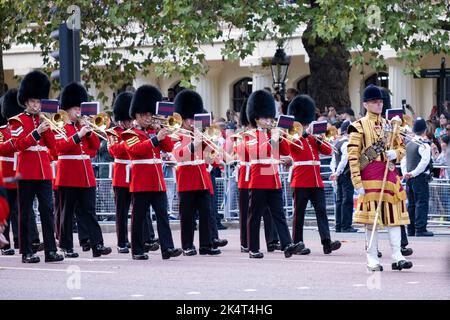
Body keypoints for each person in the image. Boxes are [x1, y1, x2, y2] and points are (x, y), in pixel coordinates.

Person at [347, 84, 412, 271]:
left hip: (389, 177)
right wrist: (357, 181)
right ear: (366, 104)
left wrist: (395, 154)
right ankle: (372, 258)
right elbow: (354, 156)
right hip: (369, 177)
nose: (379, 105)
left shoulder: (390, 126)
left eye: (381, 102)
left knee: (394, 218)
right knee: (371, 221)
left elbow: (401, 148)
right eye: (375, 102)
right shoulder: (357, 126)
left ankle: (397, 255)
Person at [122, 85, 182, 260]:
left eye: (150, 114)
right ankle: (138, 250)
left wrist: (160, 133)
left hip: (157, 181)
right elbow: (137, 150)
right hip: (141, 182)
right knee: (139, 218)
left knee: (163, 216)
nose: (149, 118)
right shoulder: (129, 133)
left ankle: (167, 248)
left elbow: (169, 147)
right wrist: (156, 138)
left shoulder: (152, 132)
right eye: (145, 115)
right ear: (137, 115)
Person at [9, 70, 63, 263]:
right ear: (25, 101)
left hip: (44, 172)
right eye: (33, 101)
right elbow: (18, 144)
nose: (36, 105)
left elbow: (53, 146)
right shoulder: (17, 121)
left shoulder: (44, 120)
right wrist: (37, 132)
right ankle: (27, 251)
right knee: (25, 212)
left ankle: (50, 250)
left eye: (39, 101)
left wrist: (45, 125)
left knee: (47, 210)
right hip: (26, 171)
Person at [245, 89, 304, 259]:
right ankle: (253, 248)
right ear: (256, 119)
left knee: (279, 214)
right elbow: (258, 152)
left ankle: (287, 244)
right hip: (258, 179)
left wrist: (282, 139)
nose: (269, 121)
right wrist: (272, 139)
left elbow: (283, 152)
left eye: (271, 118)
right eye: (266, 118)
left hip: (273, 178)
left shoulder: (274, 134)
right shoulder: (250, 135)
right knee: (255, 216)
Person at [55, 82, 112, 258]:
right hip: (68, 175)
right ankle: (66, 246)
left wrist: (88, 132)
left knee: (89, 211)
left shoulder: (83, 127)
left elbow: (94, 147)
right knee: (67, 213)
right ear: (66, 110)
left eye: (79, 108)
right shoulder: (59, 126)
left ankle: (98, 245)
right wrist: (78, 135)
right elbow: (60, 147)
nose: (78, 112)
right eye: (74, 109)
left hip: (85, 175)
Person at [287, 95, 342, 255]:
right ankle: (297, 243)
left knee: (321, 211)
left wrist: (319, 139)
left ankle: (326, 242)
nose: (304, 126)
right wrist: (304, 134)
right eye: (303, 123)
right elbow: (291, 147)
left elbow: (327, 150)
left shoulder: (312, 138)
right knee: (299, 214)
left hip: (316, 180)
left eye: (305, 123)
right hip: (301, 179)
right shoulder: (292, 136)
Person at [172, 90, 222, 256]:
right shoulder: (177, 135)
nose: (192, 122)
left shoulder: (199, 134)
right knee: (187, 216)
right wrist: (195, 143)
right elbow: (179, 156)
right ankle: (187, 245)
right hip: (186, 179)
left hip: (203, 179)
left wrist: (216, 157)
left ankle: (206, 245)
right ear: (183, 119)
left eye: (194, 119)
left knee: (206, 213)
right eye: (190, 119)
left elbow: (210, 157)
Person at [230, 101, 280, 253]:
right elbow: (241, 153)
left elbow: (273, 153)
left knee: (269, 211)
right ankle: (246, 242)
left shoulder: (264, 134)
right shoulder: (241, 136)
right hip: (246, 175)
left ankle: (272, 240)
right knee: (248, 212)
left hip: (263, 172)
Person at [106, 91, 134, 253]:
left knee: (138, 211)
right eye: (127, 120)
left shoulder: (135, 130)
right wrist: (129, 142)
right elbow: (114, 151)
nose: (130, 123)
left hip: (136, 174)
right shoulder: (113, 132)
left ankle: (143, 238)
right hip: (121, 174)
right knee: (121, 212)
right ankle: (122, 242)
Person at [401, 118, 434, 237]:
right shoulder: (424, 145)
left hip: (409, 178)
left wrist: (406, 173)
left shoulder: (409, 144)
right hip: (419, 178)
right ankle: (420, 229)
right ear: (425, 130)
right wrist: (414, 173)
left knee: (412, 204)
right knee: (421, 203)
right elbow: (424, 163)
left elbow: (404, 160)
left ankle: (411, 229)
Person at [330, 120, 357, 233]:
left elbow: (333, 162)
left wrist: (335, 172)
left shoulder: (337, 143)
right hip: (345, 174)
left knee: (340, 200)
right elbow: (344, 160)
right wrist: (338, 172)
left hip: (339, 174)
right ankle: (346, 226)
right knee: (347, 200)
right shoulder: (346, 144)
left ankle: (339, 226)